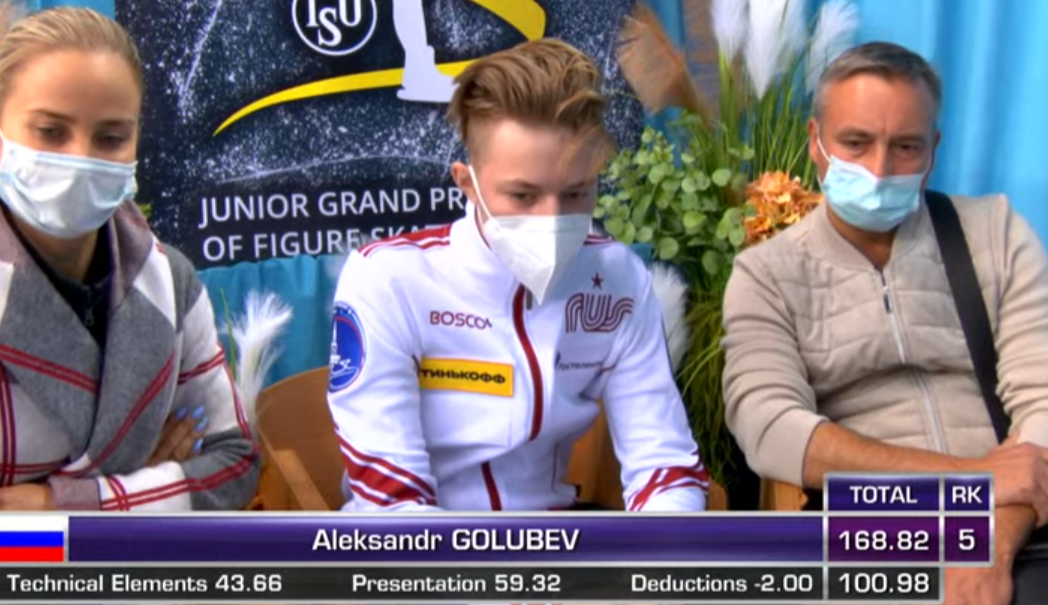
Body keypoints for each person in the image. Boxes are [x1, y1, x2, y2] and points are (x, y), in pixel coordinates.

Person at [721, 42, 1048, 604]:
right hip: (870, 536)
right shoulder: (766, 274)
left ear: (933, 151)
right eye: (856, 142)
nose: (878, 169)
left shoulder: (993, 232)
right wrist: (971, 481)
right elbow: (771, 429)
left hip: (1021, 529)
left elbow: (1042, 403)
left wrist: (991, 542)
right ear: (816, 142)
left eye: (905, 147)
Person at [327, 38, 708, 512]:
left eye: (576, 193)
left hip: (558, 541)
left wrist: (660, 545)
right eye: (523, 196)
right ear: (468, 184)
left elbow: (664, 464)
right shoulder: (388, 280)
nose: (552, 219)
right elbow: (392, 503)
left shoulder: (617, 280)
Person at [0, 4, 258, 511]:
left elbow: (233, 465)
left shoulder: (169, 283)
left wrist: (63, 504)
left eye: (110, 137)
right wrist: (143, 482)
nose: (80, 158)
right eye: (50, 131)